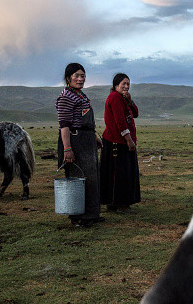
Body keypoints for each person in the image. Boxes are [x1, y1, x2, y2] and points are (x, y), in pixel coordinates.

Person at [56, 63, 104, 227]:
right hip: (74, 140)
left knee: (91, 177)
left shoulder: (81, 95)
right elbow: (65, 126)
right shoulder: (65, 97)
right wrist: (67, 149)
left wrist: (94, 138)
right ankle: (78, 217)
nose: (80, 79)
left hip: (86, 140)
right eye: (76, 75)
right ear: (68, 77)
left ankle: (91, 214)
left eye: (83, 76)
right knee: (78, 177)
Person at [100, 73, 141, 213]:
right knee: (121, 173)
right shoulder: (115, 98)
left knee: (113, 172)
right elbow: (119, 122)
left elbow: (135, 114)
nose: (126, 86)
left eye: (128, 84)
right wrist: (129, 140)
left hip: (115, 140)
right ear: (116, 85)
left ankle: (112, 202)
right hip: (117, 141)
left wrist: (130, 101)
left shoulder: (122, 98)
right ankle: (122, 204)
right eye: (123, 83)